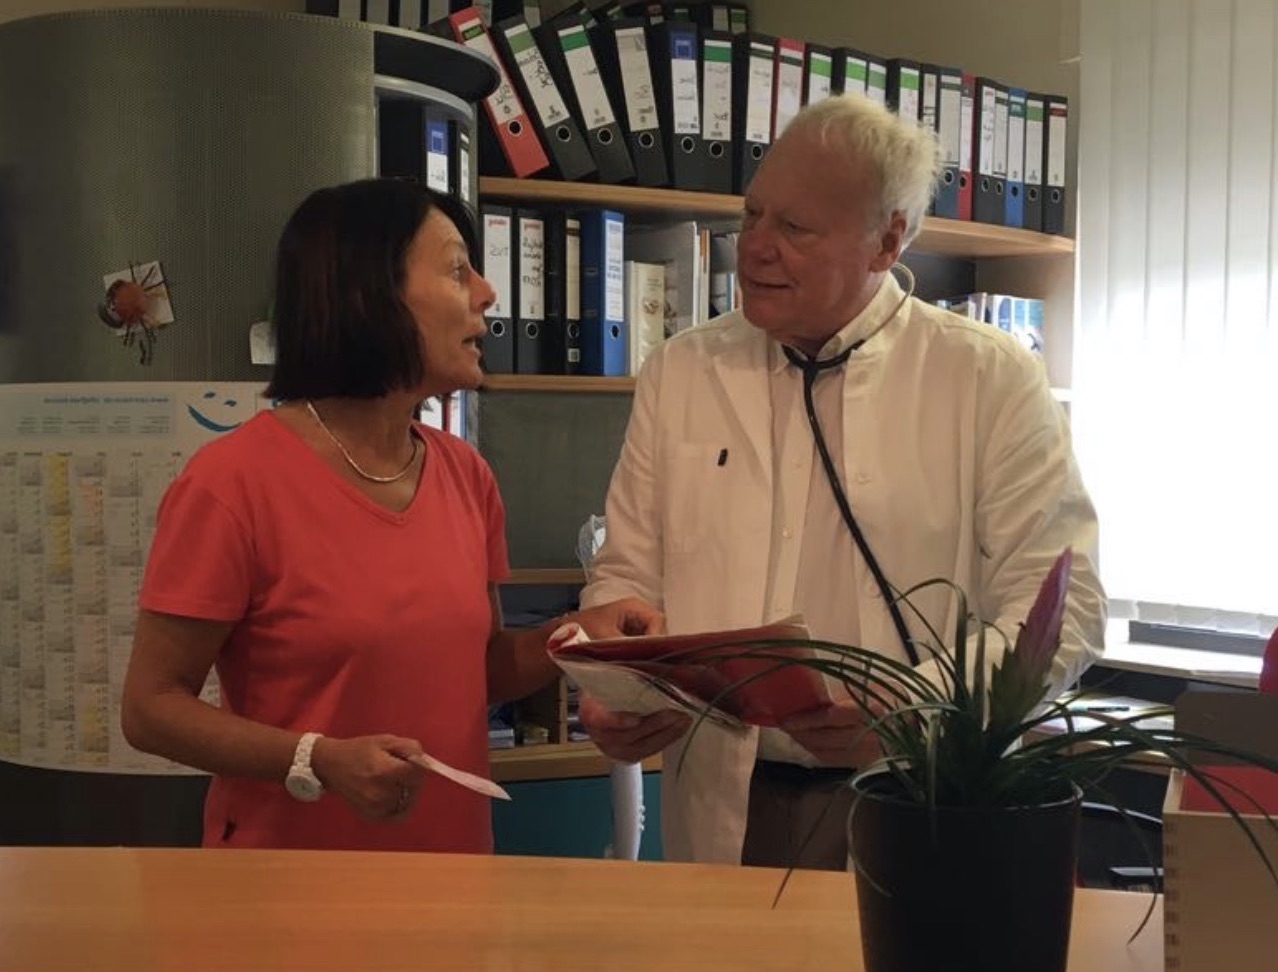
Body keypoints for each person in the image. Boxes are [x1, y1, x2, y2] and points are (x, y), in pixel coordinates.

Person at [576, 94, 1107, 869]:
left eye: (794, 228)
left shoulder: (987, 377)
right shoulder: (681, 370)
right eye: (753, 214)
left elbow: (1062, 610)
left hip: (914, 794)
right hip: (724, 799)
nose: (755, 248)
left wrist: (910, 707)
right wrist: (615, 687)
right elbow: (625, 576)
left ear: (886, 241)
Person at [121, 179, 659, 853]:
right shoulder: (232, 483)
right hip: (286, 887)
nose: (488, 293)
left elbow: (479, 668)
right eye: (458, 270)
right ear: (368, 293)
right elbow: (150, 708)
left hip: (453, 871)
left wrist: (578, 634)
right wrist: (316, 758)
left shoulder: (466, 474)